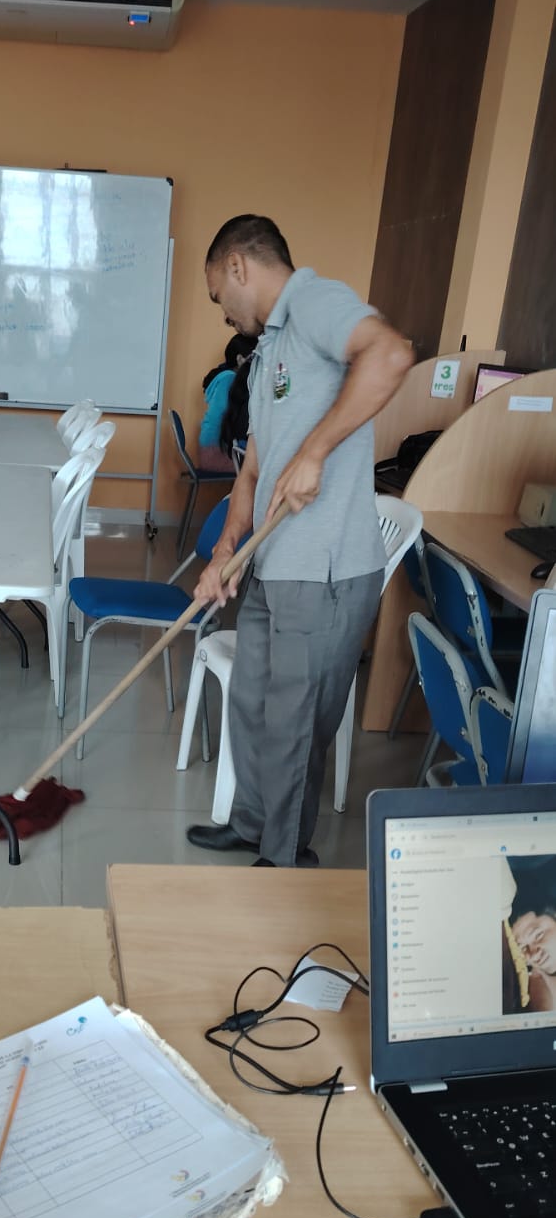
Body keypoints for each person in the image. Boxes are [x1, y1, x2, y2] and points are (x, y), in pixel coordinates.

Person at [186, 214, 414, 868]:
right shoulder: (266, 351)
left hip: (325, 571)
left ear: (237, 265)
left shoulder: (313, 301)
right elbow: (253, 470)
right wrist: (226, 551)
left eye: (218, 295)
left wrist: (315, 452)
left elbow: (390, 354)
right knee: (252, 701)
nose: (222, 313)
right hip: (274, 561)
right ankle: (250, 824)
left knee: (292, 719)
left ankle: (283, 857)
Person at [198, 333, 256, 473]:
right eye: (253, 358)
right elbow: (219, 417)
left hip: (218, 449)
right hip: (214, 453)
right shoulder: (229, 379)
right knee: (261, 470)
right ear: (240, 359)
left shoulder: (226, 376)